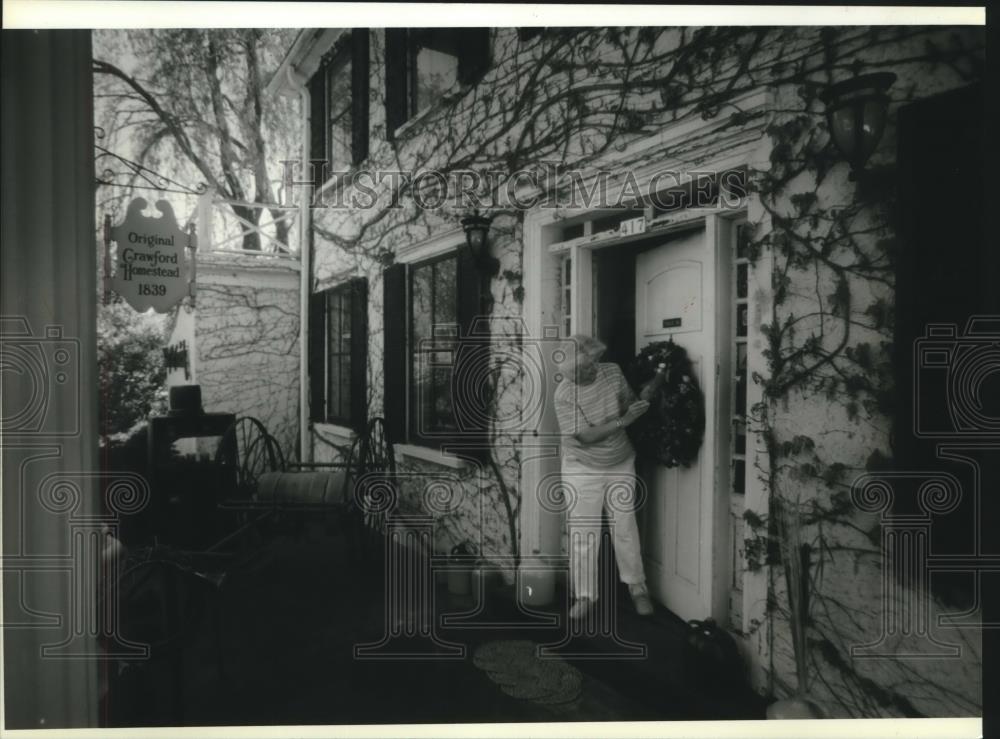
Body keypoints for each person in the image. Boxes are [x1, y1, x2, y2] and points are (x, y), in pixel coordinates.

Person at [553, 334, 654, 619]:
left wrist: (639, 403)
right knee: (584, 532)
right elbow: (584, 436)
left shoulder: (612, 372)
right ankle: (586, 595)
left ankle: (637, 587)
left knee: (624, 525)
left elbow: (627, 403)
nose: (590, 371)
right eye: (581, 370)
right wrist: (623, 421)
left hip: (620, 460)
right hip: (582, 466)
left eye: (591, 364)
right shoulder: (563, 394)